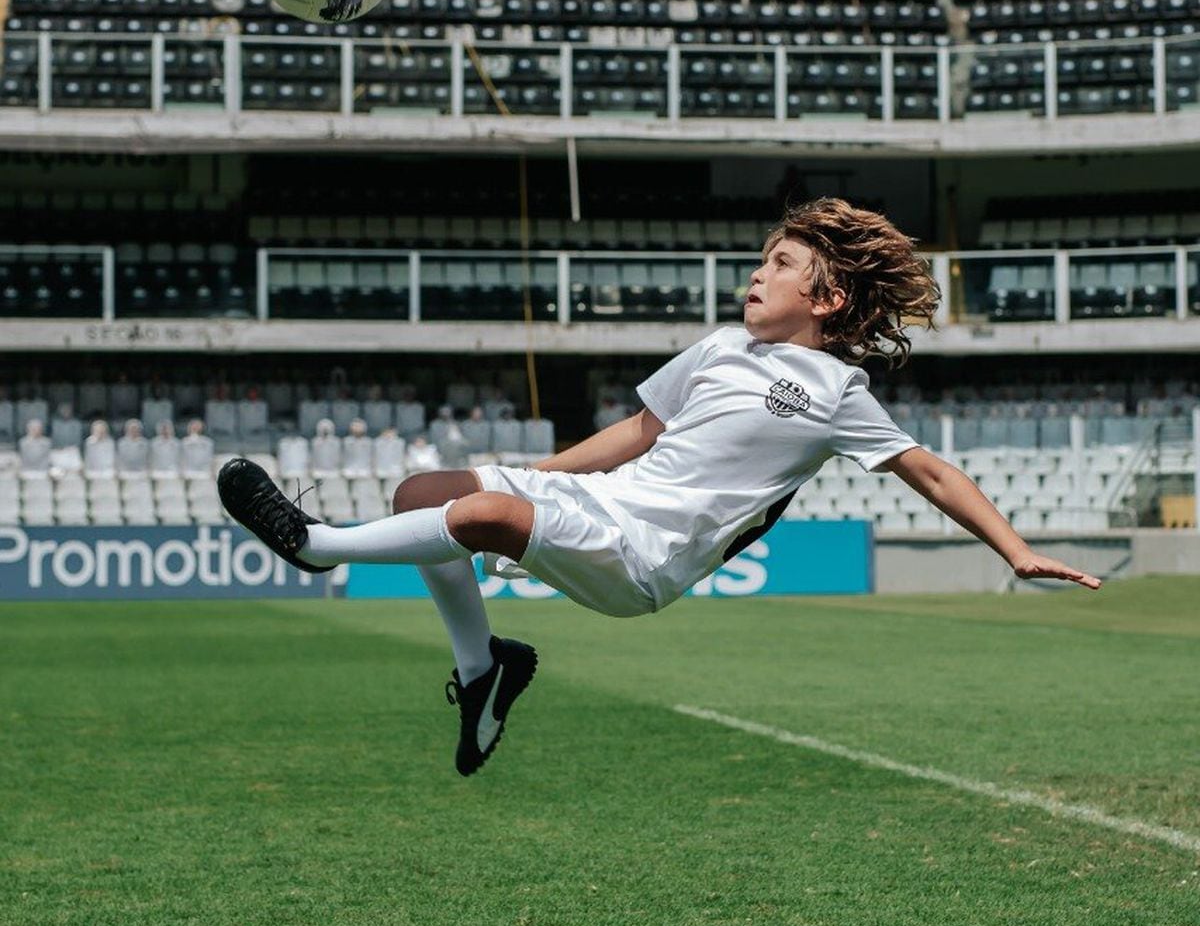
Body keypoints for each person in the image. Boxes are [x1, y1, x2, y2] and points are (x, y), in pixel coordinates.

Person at [219, 199, 1103, 779]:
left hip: (643, 559)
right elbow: (642, 431)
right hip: (600, 503)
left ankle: (316, 545)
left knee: (480, 516)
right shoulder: (721, 347)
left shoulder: (838, 394)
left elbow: (932, 470)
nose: (757, 273)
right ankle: (485, 668)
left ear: (828, 299)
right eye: (761, 259)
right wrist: (540, 474)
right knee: (426, 491)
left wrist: (1015, 550)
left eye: (781, 263)